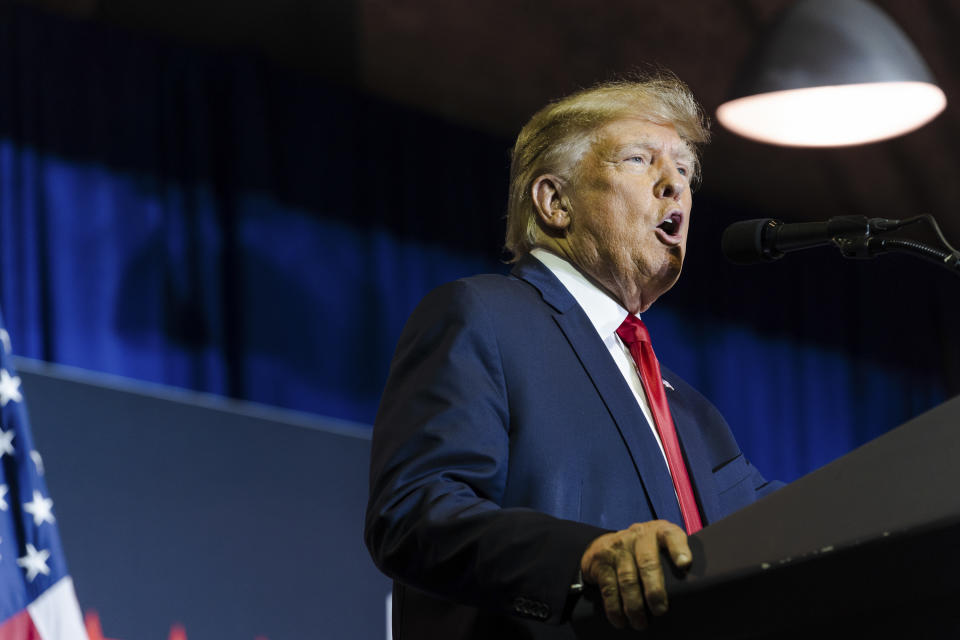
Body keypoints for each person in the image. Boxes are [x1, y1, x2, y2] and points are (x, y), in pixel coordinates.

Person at [364, 73, 780, 640]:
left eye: (684, 170)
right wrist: (581, 561)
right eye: (640, 160)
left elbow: (785, 530)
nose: (674, 186)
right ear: (556, 202)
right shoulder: (484, 315)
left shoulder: (696, 417)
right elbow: (415, 515)